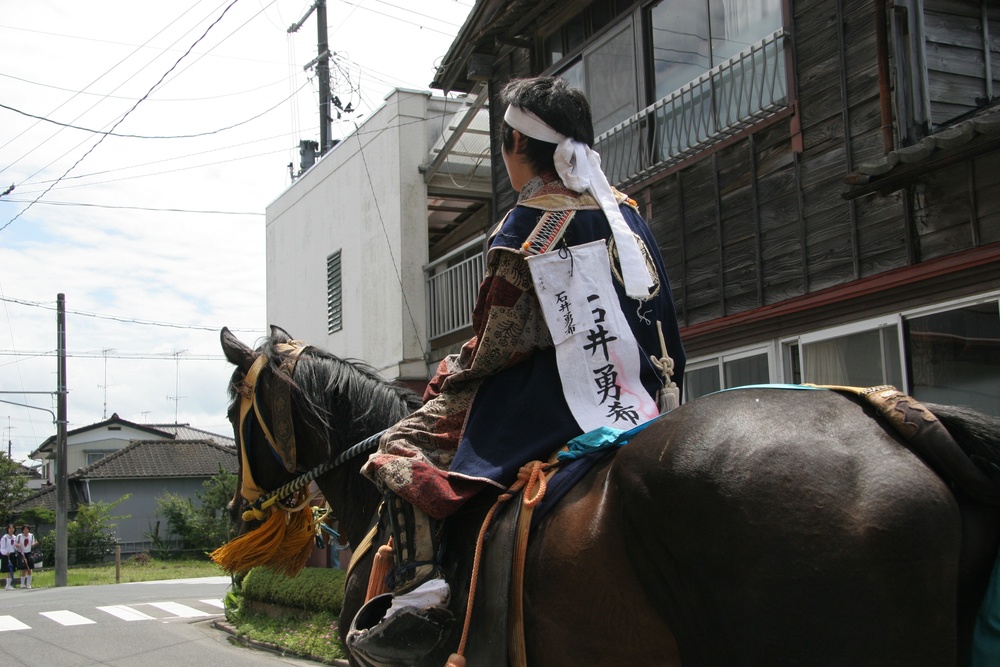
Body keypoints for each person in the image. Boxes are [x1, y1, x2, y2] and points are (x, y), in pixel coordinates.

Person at [349, 76, 686, 663]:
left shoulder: (529, 223)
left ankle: (420, 592)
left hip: (557, 400)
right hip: (647, 395)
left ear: (515, 143)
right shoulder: (627, 213)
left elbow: (499, 343)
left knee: (400, 446)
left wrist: (451, 371)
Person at [15, 525, 36, 589]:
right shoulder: (19, 536)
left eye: (27, 529)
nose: (26, 530)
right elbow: (15, 543)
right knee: (24, 569)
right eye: (24, 529)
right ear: (22, 530)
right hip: (21, 553)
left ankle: (28, 584)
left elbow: (32, 544)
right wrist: (17, 545)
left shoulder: (31, 535)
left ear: (29, 530)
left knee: (29, 569)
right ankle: (22, 584)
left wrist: (35, 543)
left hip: (29, 553)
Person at [1, 524, 17, 590]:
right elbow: (2, 548)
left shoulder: (15, 537)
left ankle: (9, 585)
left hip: (13, 554)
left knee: (12, 570)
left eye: (12, 528)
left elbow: (15, 546)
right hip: (7, 555)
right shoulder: (4, 538)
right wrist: (5, 552)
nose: (11, 529)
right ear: (7, 529)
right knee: (8, 570)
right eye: (10, 528)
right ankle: (8, 585)